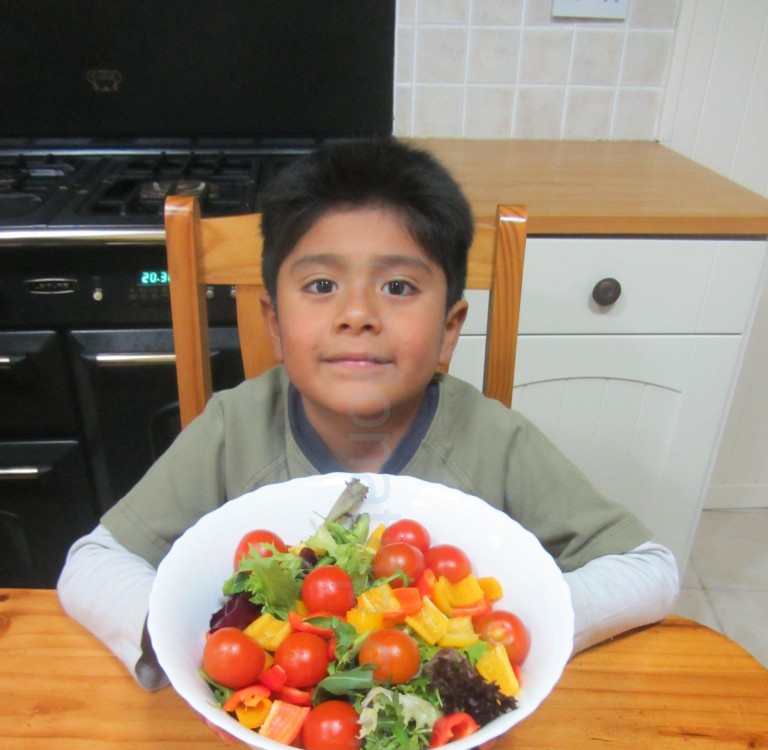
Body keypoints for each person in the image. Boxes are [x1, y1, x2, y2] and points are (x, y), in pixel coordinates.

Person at [58, 137, 679, 690]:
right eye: (321, 286)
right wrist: (205, 647)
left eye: (399, 288)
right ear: (275, 325)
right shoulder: (234, 428)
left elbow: (649, 570)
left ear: (448, 330)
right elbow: (92, 563)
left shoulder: (495, 439)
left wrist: (511, 628)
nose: (357, 314)